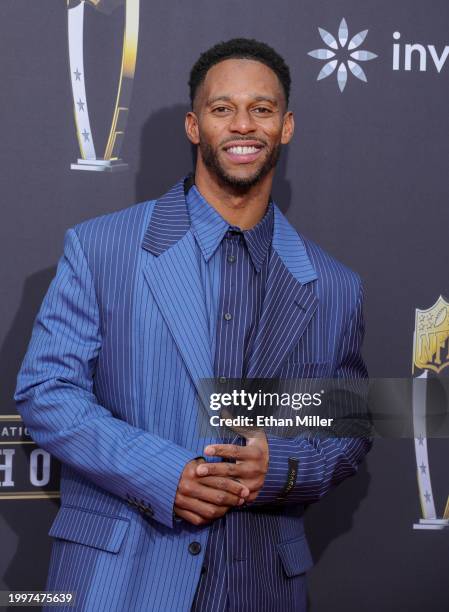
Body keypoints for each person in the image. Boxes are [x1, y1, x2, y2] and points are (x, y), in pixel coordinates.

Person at [15, 38, 372, 612]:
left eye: (262, 108)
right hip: (121, 579)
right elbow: (46, 392)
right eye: (222, 108)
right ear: (193, 125)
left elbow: (349, 433)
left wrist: (278, 468)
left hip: (262, 585)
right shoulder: (102, 248)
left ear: (286, 127)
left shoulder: (333, 285)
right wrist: (163, 473)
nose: (243, 125)